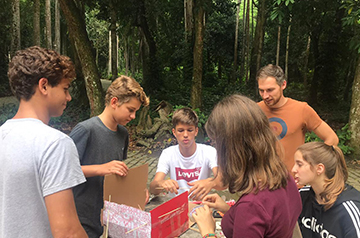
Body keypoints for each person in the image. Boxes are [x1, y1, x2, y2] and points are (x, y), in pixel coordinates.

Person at [0, 46, 87, 237]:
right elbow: (67, 232)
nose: (68, 97)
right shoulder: (55, 144)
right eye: (65, 89)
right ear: (44, 85)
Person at [192, 94, 302, 238]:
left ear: (230, 150)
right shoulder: (283, 176)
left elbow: (254, 211)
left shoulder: (251, 206)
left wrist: (208, 231)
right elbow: (266, 219)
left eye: (216, 144)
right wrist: (230, 209)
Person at [70, 75, 149, 238]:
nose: (133, 116)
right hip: (83, 218)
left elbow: (119, 175)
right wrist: (100, 169)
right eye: (131, 110)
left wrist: (137, 192)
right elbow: (64, 172)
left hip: (111, 217)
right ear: (114, 102)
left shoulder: (123, 134)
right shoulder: (85, 130)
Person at [256, 64, 339, 172]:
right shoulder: (255, 110)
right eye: (261, 90)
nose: (265, 96)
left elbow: (332, 138)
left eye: (270, 90)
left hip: (294, 183)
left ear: (283, 85)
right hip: (262, 182)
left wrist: (313, 164)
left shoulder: (302, 109)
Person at [149, 107, 222, 201]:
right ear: (174, 132)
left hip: (201, 206)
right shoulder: (168, 153)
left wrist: (211, 182)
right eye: (181, 130)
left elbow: (222, 182)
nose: (185, 135)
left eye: (190, 130)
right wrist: (161, 184)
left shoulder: (209, 152)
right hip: (176, 206)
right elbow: (153, 188)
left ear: (196, 131)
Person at [292, 142, 360, 238]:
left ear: (319, 168)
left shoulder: (348, 210)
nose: (293, 169)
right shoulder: (301, 196)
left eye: (299, 164)